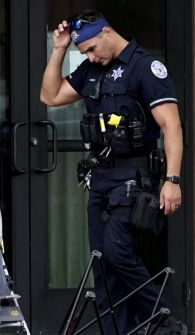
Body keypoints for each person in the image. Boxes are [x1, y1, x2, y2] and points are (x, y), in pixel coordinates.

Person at [40, 9, 183, 334]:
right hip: (101, 179)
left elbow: (171, 125)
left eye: (90, 49)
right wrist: (59, 49)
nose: (89, 56)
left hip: (133, 180)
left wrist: (171, 180)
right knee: (103, 266)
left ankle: (163, 321)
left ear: (106, 32)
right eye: (82, 52)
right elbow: (48, 95)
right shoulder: (92, 69)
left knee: (118, 252)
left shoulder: (145, 67)